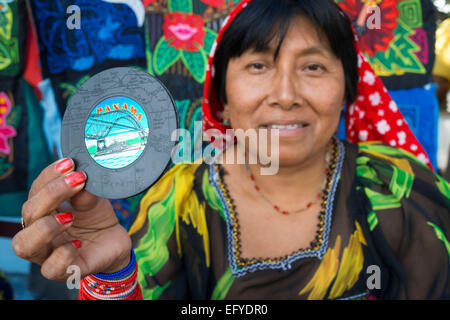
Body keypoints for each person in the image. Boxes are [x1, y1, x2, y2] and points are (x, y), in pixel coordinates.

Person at [12, 0, 450, 300]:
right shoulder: (180, 199)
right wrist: (111, 277)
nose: (285, 94)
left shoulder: (396, 187)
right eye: (258, 66)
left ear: (347, 89)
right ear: (220, 93)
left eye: (313, 66)